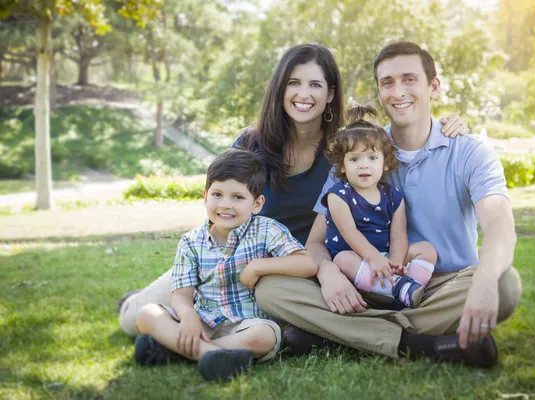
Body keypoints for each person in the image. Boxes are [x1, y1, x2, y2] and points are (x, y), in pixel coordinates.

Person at [117, 43, 468, 342]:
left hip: (307, 270)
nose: (304, 94)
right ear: (280, 88)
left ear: (330, 94)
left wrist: (451, 123)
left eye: (315, 84)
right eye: (294, 83)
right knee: (133, 321)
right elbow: (219, 216)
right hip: (238, 261)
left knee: (268, 311)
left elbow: (398, 136)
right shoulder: (250, 145)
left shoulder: (344, 150)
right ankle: (139, 304)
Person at [254, 41, 522, 367]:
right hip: (365, 284)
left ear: (433, 86)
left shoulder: (469, 151)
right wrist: (328, 273)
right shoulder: (358, 151)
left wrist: (483, 282)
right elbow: (316, 241)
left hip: (439, 287)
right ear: (379, 92)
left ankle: (340, 332)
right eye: (387, 83)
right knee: (270, 288)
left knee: (504, 284)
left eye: (409, 79)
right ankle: (422, 344)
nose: (398, 92)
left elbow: (499, 224)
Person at [133, 149, 317, 381]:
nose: (225, 205)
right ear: (205, 197)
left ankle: (177, 352)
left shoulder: (267, 230)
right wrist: (188, 316)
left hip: (245, 325)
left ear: (257, 203)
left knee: (267, 335)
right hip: (202, 321)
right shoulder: (191, 242)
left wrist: (259, 266)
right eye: (217, 194)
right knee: (147, 314)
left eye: (237, 197)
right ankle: (213, 355)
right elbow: (181, 294)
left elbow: (307, 263)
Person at [323, 104, 437, 310]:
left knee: (427, 250)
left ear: (385, 163)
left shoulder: (392, 195)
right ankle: (397, 292)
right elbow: (348, 232)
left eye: (373, 158)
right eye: (354, 159)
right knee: (342, 259)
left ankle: (407, 289)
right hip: (355, 259)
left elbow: (398, 235)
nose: (364, 165)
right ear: (342, 165)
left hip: (383, 257)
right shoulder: (338, 195)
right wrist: (373, 258)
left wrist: (394, 263)